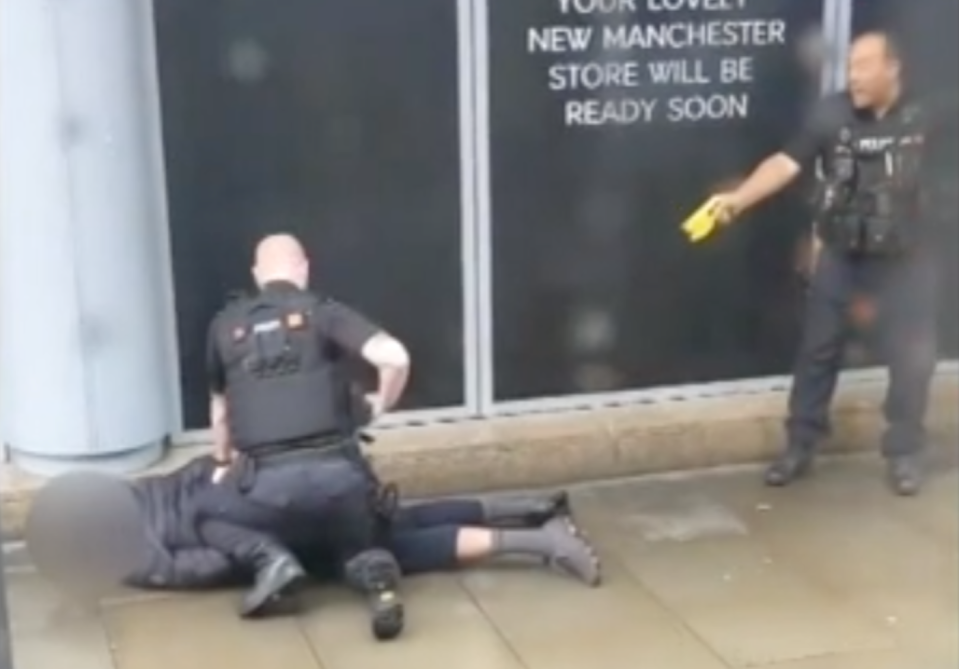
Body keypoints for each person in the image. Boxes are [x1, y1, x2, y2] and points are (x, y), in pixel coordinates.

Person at [702, 31, 943, 496]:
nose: (853, 75)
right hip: (841, 255)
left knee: (913, 360)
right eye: (850, 65)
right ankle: (800, 445)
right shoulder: (831, 113)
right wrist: (738, 200)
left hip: (906, 259)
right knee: (818, 351)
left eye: (864, 65)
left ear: (892, 68)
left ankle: (905, 452)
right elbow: (786, 163)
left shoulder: (930, 113)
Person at [197, 233, 411, 638]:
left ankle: (272, 560)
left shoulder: (224, 326)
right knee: (351, 521)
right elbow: (395, 356)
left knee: (205, 511)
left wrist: (223, 464)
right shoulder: (323, 312)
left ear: (257, 275)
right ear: (303, 269)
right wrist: (381, 404)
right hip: (340, 481)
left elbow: (221, 412)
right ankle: (369, 571)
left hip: (265, 490)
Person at [24, 458, 602, 594]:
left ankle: (540, 539)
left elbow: (209, 566)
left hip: (272, 532)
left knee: (403, 544)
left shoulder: (133, 559)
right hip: (265, 491)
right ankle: (529, 506)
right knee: (397, 520)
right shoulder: (130, 493)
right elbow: (197, 473)